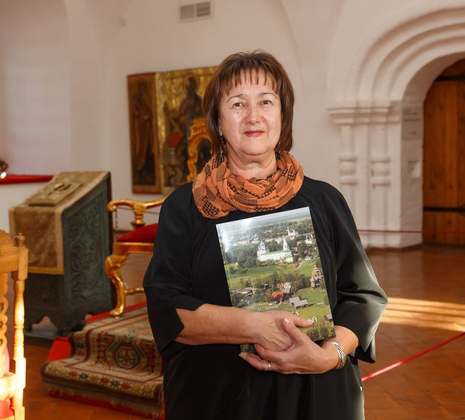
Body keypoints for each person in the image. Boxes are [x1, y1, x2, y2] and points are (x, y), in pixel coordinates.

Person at [143, 50, 388, 420]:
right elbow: (166, 308)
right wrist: (255, 326)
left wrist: (327, 356)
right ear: (217, 121)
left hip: (317, 394)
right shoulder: (186, 206)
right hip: (218, 397)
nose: (253, 116)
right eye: (237, 103)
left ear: (282, 115)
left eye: (266, 101)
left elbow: (363, 296)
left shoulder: (324, 200)